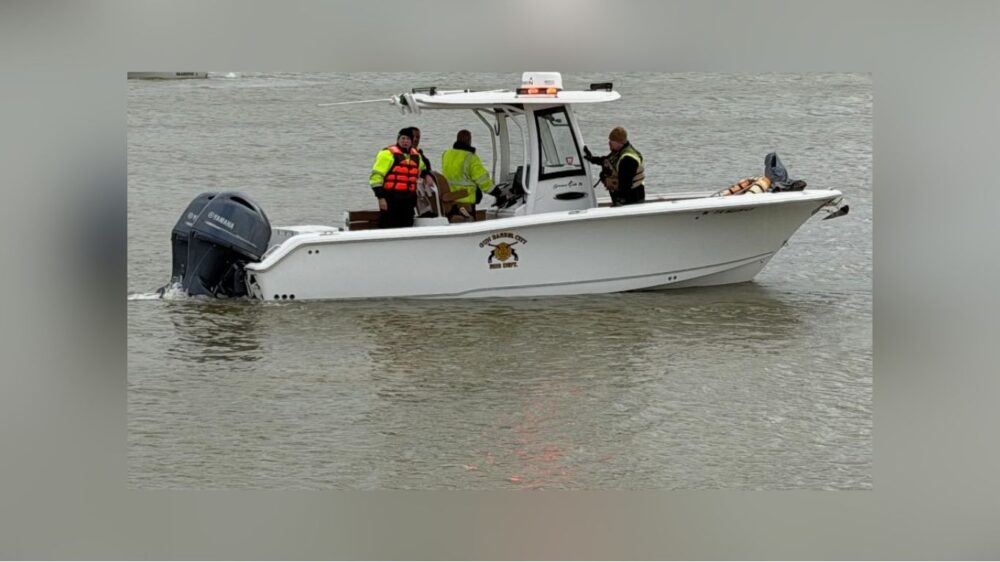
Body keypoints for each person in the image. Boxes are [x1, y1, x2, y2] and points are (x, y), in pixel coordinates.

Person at [369, 128, 426, 228]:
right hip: (391, 200)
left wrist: (427, 175)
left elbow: (424, 169)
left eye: (408, 139)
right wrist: (381, 197)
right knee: (388, 227)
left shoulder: (417, 156)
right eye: (402, 138)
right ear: (398, 139)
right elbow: (376, 177)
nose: (405, 141)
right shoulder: (387, 154)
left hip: (408, 201)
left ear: (412, 141)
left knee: (407, 226)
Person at [583, 126, 645, 206]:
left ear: (619, 142)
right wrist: (592, 159)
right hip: (626, 198)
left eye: (611, 141)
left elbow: (626, 183)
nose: (609, 143)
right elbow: (607, 160)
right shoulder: (620, 151)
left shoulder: (628, 159)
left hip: (632, 199)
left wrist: (621, 200)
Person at [440, 129, 494, 221]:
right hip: (465, 200)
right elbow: (482, 179)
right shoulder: (471, 157)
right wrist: (495, 191)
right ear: (469, 141)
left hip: (449, 200)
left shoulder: (446, 154)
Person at [409, 126, 439, 217]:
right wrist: (426, 174)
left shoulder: (422, 157)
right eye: (413, 137)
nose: (415, 139)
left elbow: (423, 169)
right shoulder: (403, 154)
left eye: (418, 137)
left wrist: (427, 175)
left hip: (423, 194)